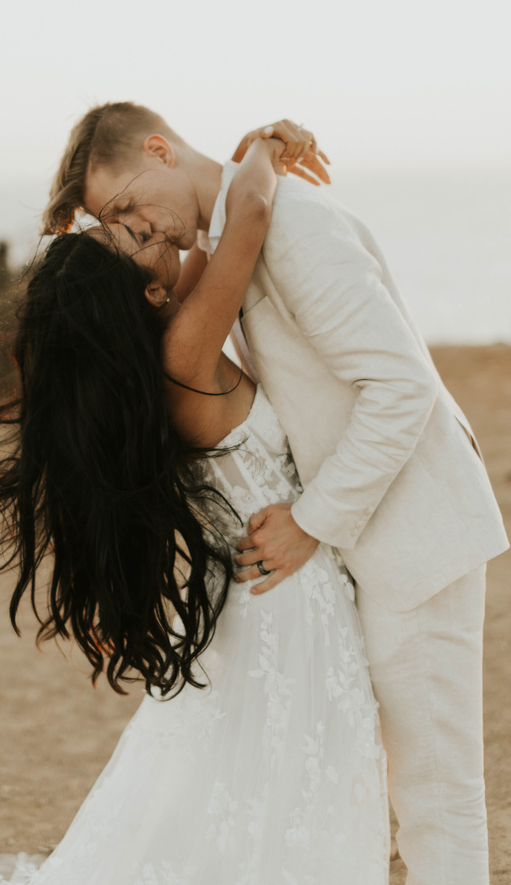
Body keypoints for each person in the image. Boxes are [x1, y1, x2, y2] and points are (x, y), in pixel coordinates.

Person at [0, 130, 389, 884]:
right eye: (131, 235)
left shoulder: (163, 352)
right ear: (149, 291)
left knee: (246, 791)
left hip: (260, 593)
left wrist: (199, 196)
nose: (154, 229)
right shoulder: (184, 355)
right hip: (287, 597)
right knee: (286, 790)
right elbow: (249, 212)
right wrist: (262, 145)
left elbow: (202, 247)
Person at [44, 102, 510, 885]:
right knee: (394, 792)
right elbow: (241, 215)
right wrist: (258, 149)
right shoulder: (222, 247)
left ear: (158, 149)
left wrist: (311, 520)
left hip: (410, 534)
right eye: (112, 225)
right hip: (345, 548)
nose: (135, 233)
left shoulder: (289, 225)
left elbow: (400, 388)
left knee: (435, 799)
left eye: (123, 205)